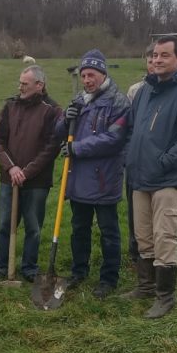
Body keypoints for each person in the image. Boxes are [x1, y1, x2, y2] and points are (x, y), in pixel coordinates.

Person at [124, 35, 177, 318]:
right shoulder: (145, 90)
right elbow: (132, 129)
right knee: (143, 236)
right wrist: (129, 157)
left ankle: (165, 296)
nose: (158, 60)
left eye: (165, 55)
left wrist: (164, 161)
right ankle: (145, 286)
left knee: (165, 237)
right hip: (139, 176)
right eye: (155, 55)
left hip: (167, 179)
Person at [58, 49, 130, 298]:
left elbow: (113, 139)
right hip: (78, 178)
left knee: (108, 231)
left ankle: (109, 279)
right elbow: (62, 133)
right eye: (83, 75)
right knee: (79, 228)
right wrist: (65, 119)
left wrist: (76, 148)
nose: (87, 80)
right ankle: (79, 272)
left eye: (91, 75)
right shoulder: (80, 99)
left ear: (103, 74)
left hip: (104, 179)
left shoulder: (118, 102)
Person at [0, 64, 62, 282]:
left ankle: (29, 268)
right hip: (8, 178)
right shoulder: (10, 106)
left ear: (39, 85)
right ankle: (3, 266)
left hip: (36, 182)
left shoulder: (52, 110)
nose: (19, 87)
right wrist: (11, 167)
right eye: (20, 82)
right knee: (4, 224)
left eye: (25, 83)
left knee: (33, 226)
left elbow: (52, 146)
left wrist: (27, 171)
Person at [125, 43, 155, 263]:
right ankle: (136, 250)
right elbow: (129, 126)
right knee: (135, 207)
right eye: (150, 59)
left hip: (159, 162)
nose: (153, 63)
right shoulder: (135, 91)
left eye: (158, 57)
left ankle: (160, 255)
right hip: (135, 161)